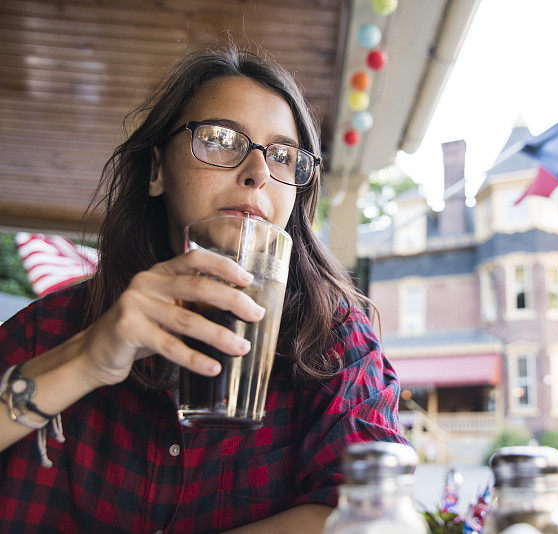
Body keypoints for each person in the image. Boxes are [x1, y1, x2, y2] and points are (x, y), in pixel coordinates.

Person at [0, 44, 407, 533]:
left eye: (283, 156)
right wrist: (87, 359)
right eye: (219, 138)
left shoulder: (334, 343)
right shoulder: (49, 330)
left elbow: (377, 513)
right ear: (156, 171)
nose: (258, 172)